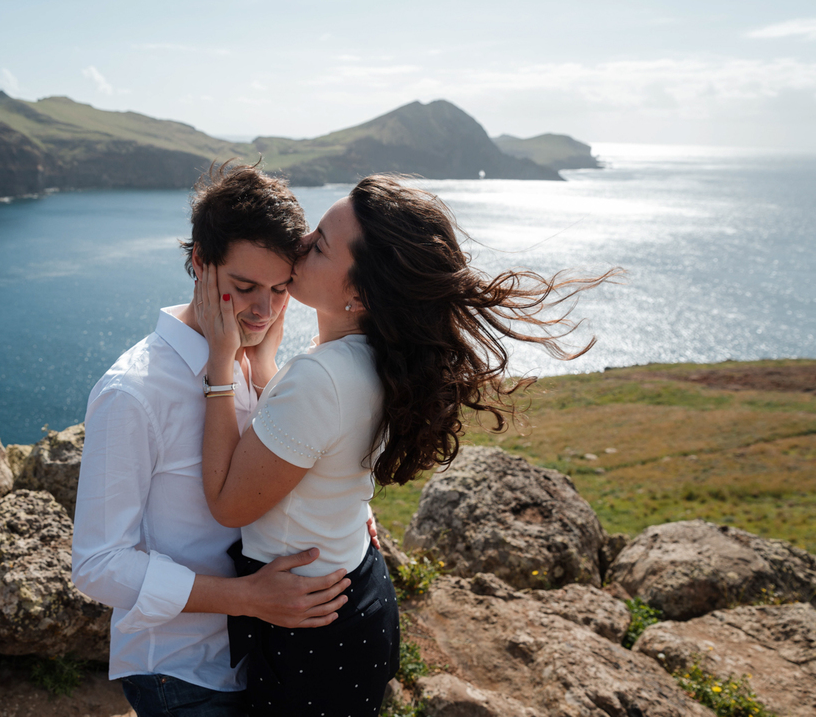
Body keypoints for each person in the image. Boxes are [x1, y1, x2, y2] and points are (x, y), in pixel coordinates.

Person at [196, 175, 618, 716]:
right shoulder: (379, 358)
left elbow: (228, 503)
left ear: (360, 293)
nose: (299, 245)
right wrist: (264, 365)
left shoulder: (322, 377)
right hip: (355, 590)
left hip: (308, 625)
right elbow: (323, 447)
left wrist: (219, 364)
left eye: (319, 244)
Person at [72, 163, 374, 717]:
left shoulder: (256, 365)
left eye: (281, 289)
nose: (263, 311)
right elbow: (97, 564)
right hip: (180, 669)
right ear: (199, 264)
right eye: (244, 288)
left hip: (261, 656)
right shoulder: (133, 391)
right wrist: (247, 598)